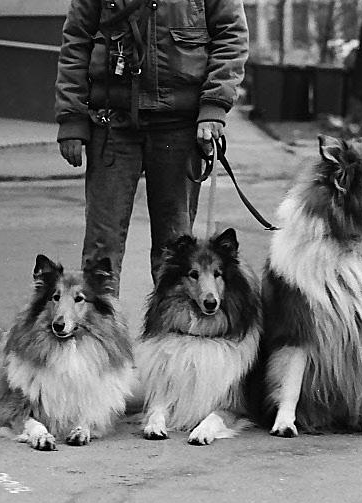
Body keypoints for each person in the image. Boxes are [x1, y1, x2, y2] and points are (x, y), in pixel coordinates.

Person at [55, 0, 249, 293]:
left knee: (176, 253)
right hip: (112, 124)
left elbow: (231, 37)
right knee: (101, 251)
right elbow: (75, 42)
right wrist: (71, 118)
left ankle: (171, 335)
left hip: (178, 127)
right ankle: (102, 338)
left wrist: (214, 106)